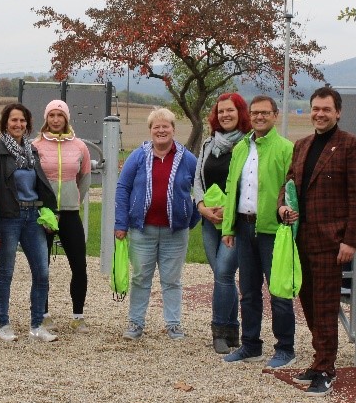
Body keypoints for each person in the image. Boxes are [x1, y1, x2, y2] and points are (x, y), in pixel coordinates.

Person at [279, 87, 356, 396]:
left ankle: (327, 369)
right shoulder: (301, 146)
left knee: (327, 306)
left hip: (331, 242)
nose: (319, 114)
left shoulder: (350, 146)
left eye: (325, 109)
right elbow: (288, 184)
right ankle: (319, 360)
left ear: (337, 112)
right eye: (315, 108)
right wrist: (282, 206)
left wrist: (350, 241)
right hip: (300, 239)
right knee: (310, 304)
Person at [221, 95, 296, 368]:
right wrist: (228, 226)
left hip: (273, 231)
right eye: (255, 113)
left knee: (278, 290)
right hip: (243, 226)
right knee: (249, 291)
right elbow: (233, 189)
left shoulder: (286, 149)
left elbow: (292, 190)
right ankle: (250, 344)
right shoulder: (241, 148)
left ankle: (285, 347)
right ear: (249, 116)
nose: (260, 117)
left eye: (265, 113)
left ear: (275, 115)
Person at [114, 107, 199, 341]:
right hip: (142, 230)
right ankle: (136, 322)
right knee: (141, 277)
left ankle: (173, 324)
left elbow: (202, 189)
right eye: (156, 127)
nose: (161, 130)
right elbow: (123, 188)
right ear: (150, 130)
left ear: (173, 129)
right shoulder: (138, 156)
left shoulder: (187, 158)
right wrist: (121, 222)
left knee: (172, 280)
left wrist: (191, 217)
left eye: (166, 126)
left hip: (175, 232)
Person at [0, 102, 60, 343]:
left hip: (33, 218)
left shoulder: (32, 152)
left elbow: (41, 187)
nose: (18, 125)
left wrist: (50, 214)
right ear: (5, 124)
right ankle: (3, 323)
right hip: (8, 219)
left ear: (28, 124)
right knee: (6, 273)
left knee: (42, 272)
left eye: (22, 121)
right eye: (13, 120)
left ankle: (37, 324)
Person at [191, 92, 250, 353]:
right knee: (221, 276)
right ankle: (233, 330)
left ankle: (219, 331)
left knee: (224, 273)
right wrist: (202, 208)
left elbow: (249, 185)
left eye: (231, 111)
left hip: (233, 223)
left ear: (240, 113)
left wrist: (229, 211)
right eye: (221, 111)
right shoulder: (207, 145)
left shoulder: (248, 145)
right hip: (208, 221)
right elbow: (198, 180)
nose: (225, 115)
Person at [33, 100, 92, 333]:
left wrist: (73, 199)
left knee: (79, 265)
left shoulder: (79, 146)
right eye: (51, 115)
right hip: (43, 214)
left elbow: (85, 179)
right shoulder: (35, 146)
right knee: (42, 267)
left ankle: (78, 316)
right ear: (46, 118)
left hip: (69, 213)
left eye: (60, 115)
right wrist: (41, 206)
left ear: (66, 118)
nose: (55, 119)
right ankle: (44, 314)